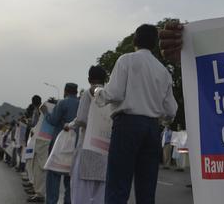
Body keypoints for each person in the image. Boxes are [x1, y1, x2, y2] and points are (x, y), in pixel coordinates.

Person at [92, 24, 178, 204]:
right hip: (152, 128)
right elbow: (171, 110)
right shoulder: (162, 71)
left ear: (135, 41)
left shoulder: (126, 60)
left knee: (118, 186)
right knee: (147, 190)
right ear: (155, 44)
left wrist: (98, 91)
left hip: (127, 125)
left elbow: (114, 93)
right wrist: (160, 119)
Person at [67, 65, 108, 204]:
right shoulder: (109, 94)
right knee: (101, 192)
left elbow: (81, 119)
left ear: (89, 79)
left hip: (87, 147)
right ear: (105, 79)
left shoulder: (88, 94)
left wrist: (70, 125)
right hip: (104, 149)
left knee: (81, 191)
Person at [43, 83, 80, 204]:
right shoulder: (81, 103)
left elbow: (53, 120)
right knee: (70, 178)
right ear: (76, 91)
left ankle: (52, 201)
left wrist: (45, 113)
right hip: (75, 144)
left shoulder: (62, 103)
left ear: (65, 91)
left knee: (53, 175)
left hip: (59, 144)